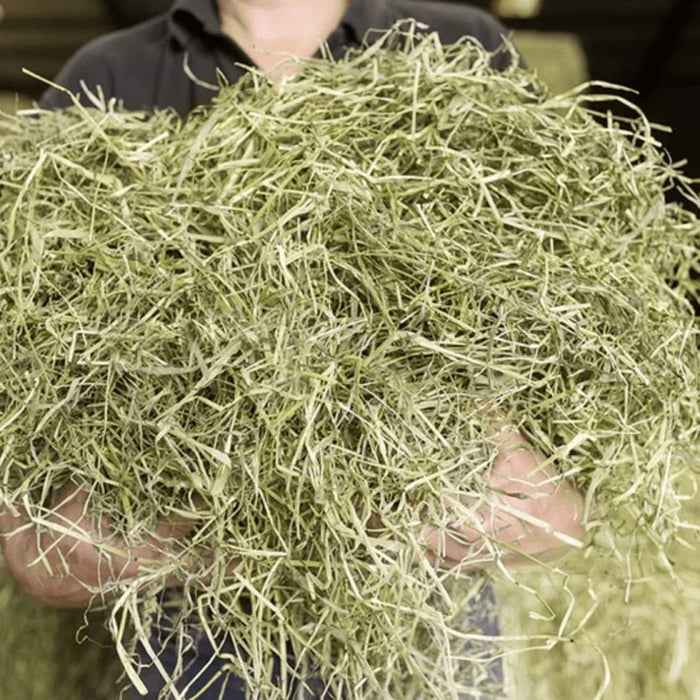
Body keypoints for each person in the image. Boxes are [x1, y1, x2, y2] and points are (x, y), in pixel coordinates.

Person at [1, 1, 586, 697]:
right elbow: (42, 550)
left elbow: (557, 508)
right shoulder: (107, 78)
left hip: (422, 637)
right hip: (194, 647)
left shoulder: (459, 47)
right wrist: (313, 516)